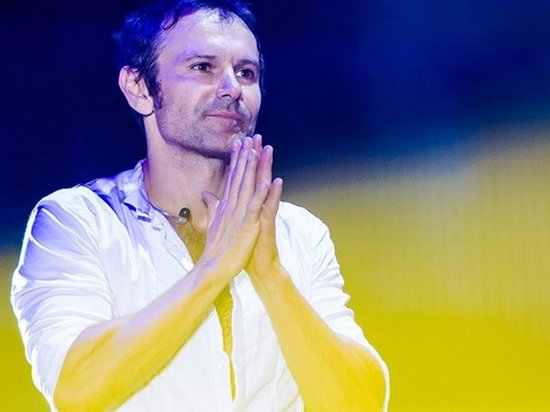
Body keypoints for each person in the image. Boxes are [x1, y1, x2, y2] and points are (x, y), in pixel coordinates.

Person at [11, 1, 389, 410]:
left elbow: (362, 403)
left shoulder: (300, 233)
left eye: (246, 73)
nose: (232, 88)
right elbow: (75, 387)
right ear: (139, 88)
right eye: (203, 67)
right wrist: (213, 269)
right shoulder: (76, 222)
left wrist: (271, 275)